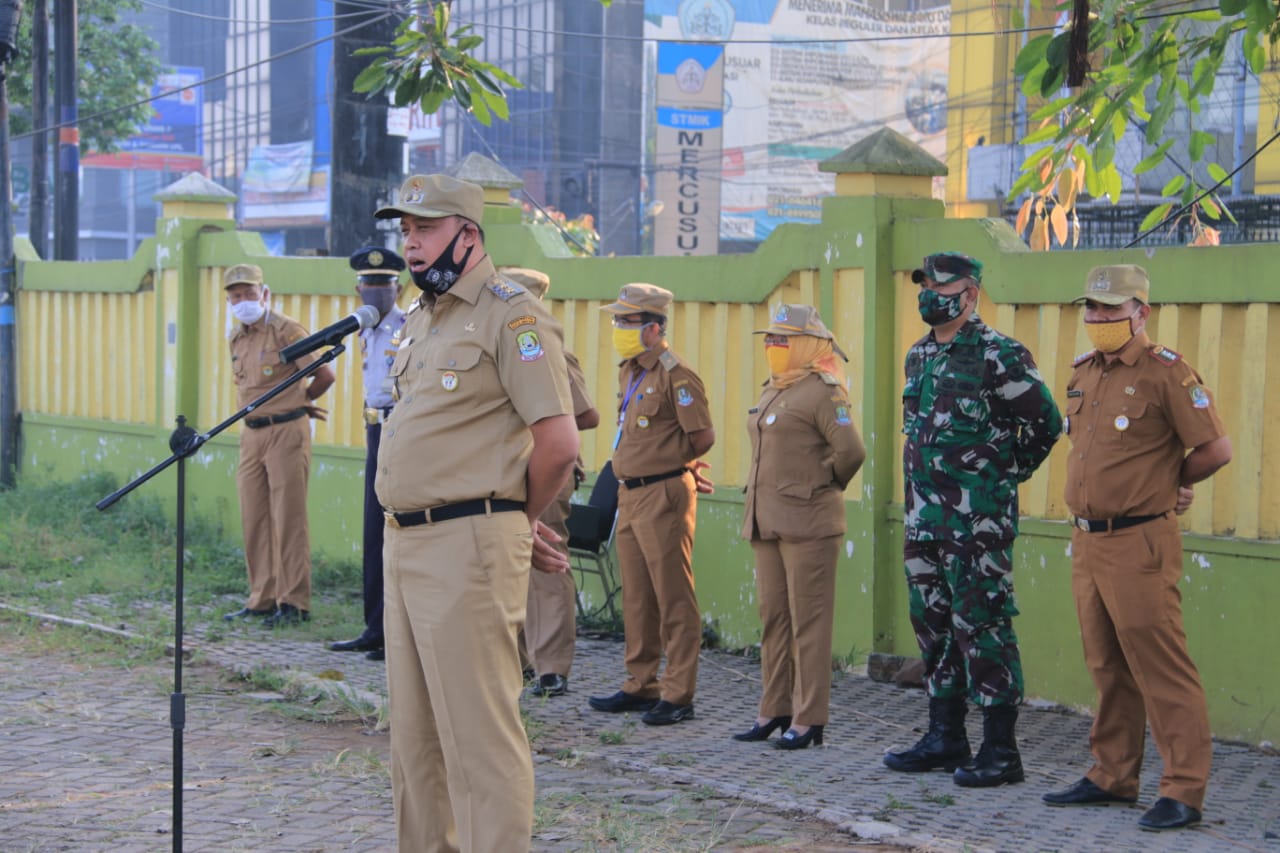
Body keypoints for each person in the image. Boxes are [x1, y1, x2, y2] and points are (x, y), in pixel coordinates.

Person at [371, 174, 579, 853]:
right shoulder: (423, 316)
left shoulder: (509, 314)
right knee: (415, 741)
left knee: (478, 739)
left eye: (424, 228)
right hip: (405, 542)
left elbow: (558, 441)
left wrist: (515, 517)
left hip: (467, 545)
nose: (410, 242)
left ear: (468, 234)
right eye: (404, 229)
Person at [1043, 265, 1231, 832]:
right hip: (1088, 538)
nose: (1098, 320)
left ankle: (1183, 789)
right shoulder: (1084, 373)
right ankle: (1112, 775)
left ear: (1140, 313)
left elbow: (1215, 448)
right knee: (1107, 664)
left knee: (1160, 665)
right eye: (1092, 310)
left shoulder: (1165, 373)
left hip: (1140, 541)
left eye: (1110, 309)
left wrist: (1169, 481)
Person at [884, 252, 1061, 787]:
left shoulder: (999, 355)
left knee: (982, 630)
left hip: (975, 527)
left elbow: (1046, 425)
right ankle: (945, 737)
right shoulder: (919, 357)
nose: (928, 293)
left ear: (971, 293)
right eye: (923, 284)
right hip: (924, 522)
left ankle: (1001, 751)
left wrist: (999, 481)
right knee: (933, 628)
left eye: (941, 285)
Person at [733, 304, 865, 750]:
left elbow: (851, 451)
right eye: (769, 338)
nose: (773, 346)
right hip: (766, 520)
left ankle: (809, 718)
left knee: (810, 623)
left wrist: (822, 484)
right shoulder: (775, 388)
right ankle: (774, 709)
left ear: (807, 344)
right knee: (774, 620)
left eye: (783, 339)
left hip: (809, 522)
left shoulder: (824, 391)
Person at [588, 283, 715, 727]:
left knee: (673, 595)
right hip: (630, 492)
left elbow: (701, 437)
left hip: (662, 493)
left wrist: (678, 467)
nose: (618, 328)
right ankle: (641, 683)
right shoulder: (630, 370)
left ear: (654, 328)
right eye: (617, 320)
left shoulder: (676, 374)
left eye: (627, 321)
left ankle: (679, 693)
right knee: (638, 597)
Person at [501, 266, 600, 698]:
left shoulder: (547, 347)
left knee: (547, 564)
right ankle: (518, 660)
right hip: (504, 468)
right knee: (508, 562)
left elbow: (587, 414)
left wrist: (543, 422)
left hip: (544, 464)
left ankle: (552, 666)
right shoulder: (498, 342)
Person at [221, 263, 335, 628]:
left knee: (289, 517)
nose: (242, 301)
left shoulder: (287, 331)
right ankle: (262, 598)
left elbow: (324, 374)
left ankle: (294, 601)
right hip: (251, 434)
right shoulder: (237, 338)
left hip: (286, 430)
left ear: (263, 293)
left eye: (248, 293)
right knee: (254, 516)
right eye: (235, 296)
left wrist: (300, 402)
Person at [327, 246, 407, 663]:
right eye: (370, 284)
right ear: (357, 287)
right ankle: (374, 627)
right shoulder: (361, 330)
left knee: (397, 529)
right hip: (374, 427)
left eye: (385, 285)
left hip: (401, 429)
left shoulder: (409, 327)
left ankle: (394, 630)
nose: (376, 292)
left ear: (400, 287)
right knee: (373, 528)